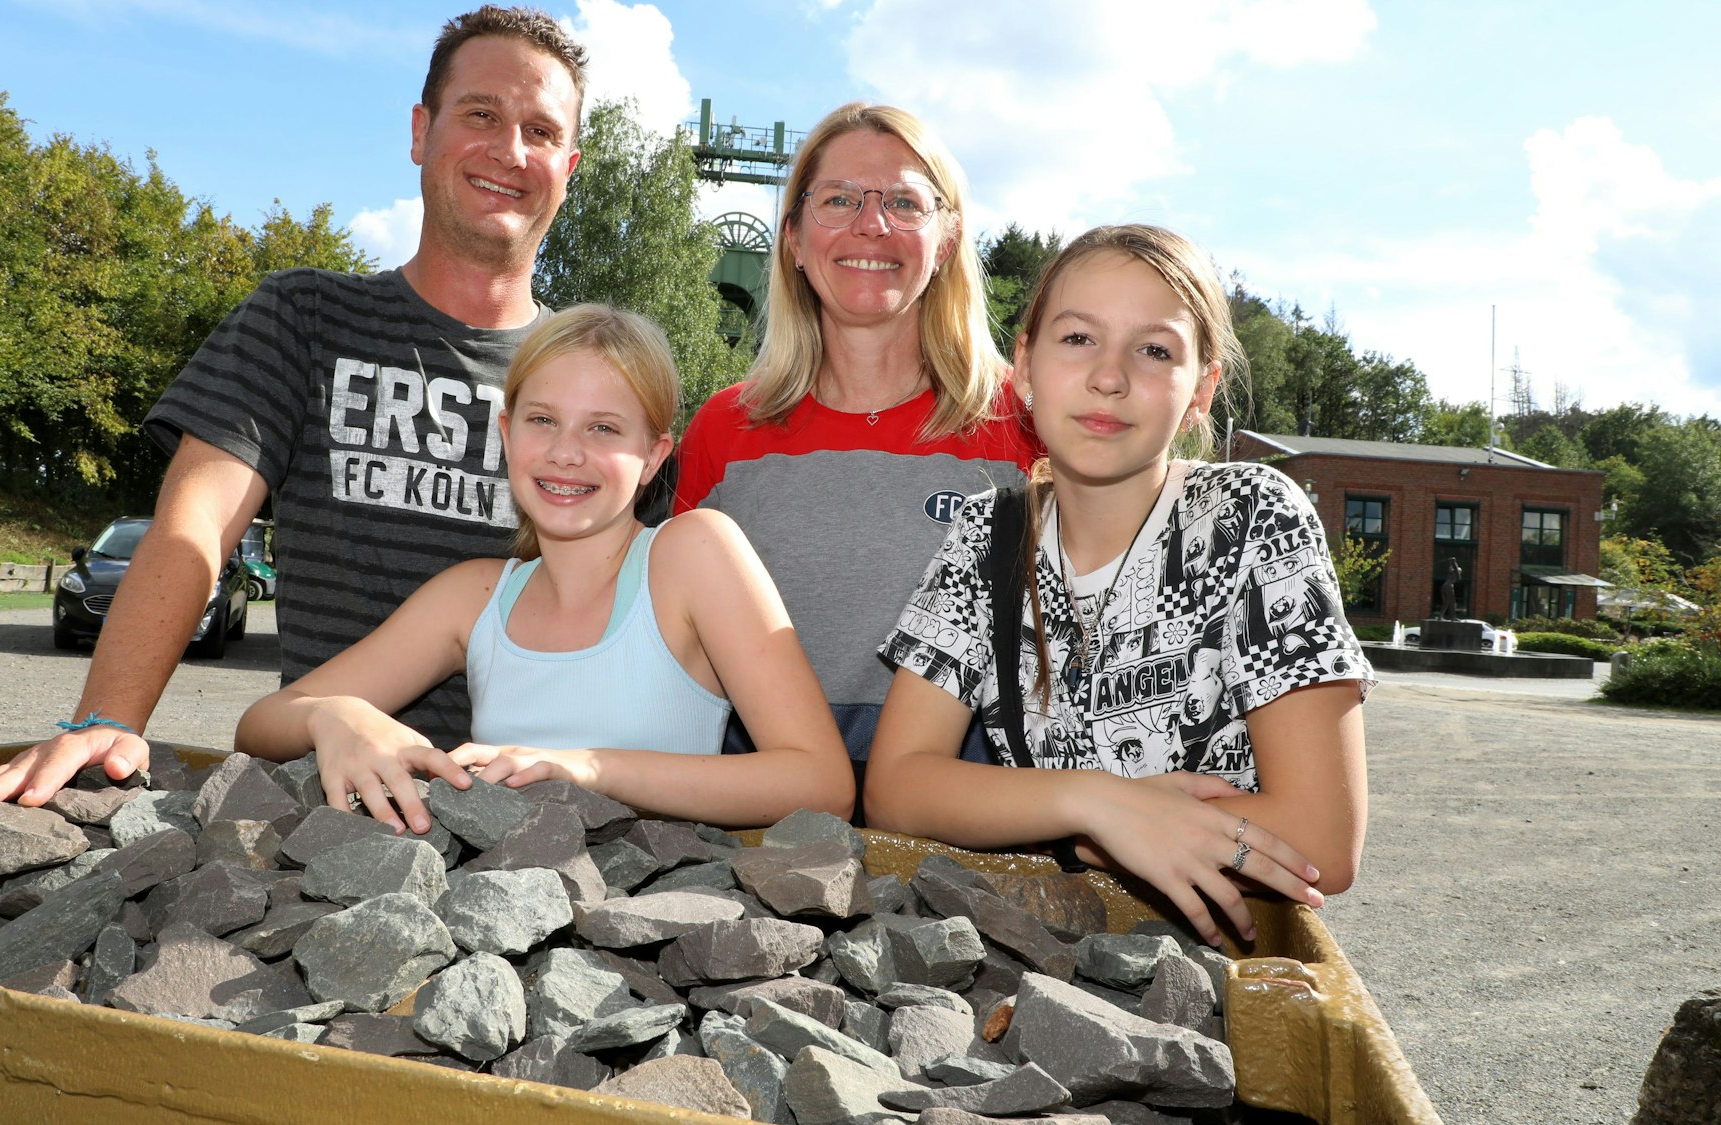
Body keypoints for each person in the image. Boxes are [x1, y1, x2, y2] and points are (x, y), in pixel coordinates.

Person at [0, 7, 587, 814]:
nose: (510, 151)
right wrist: (108, 719)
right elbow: (196, 526)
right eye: (481, 115)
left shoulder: (594, 386)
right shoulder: (304, 316)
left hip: (536, 816)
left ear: (568, 165)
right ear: (421, 131)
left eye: (539, 129)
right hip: (326, 796)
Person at [864, 224, 1371, 947]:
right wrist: (1100, 808)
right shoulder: (988, 535)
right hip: (1039, 954)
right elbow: (897, 787)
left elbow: (1322, 836)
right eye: (1077, 338)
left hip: (1217, 971)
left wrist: (1062, 827)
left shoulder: (1252, 519)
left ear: (1202, 390)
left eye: (1154, 349)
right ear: (1025, 369)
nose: (1110, 375)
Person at [234, 306, 851, 829]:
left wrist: (588, 768)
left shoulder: (691, 557)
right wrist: (332, 714)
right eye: (543, 419)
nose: (565, 452)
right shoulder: (474, 596)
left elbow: (821, 782)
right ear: (506, 433)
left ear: (653, 456)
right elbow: (259, 726)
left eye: (604, 428)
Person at [673, 102, 1040, 801]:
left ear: (946, 238)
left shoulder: (1024, 424)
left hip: (964, 835)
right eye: (839, 199)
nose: (872, 225)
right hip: (750, 824)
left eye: (905, 202)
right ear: (793, 237)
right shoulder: (723, 431)